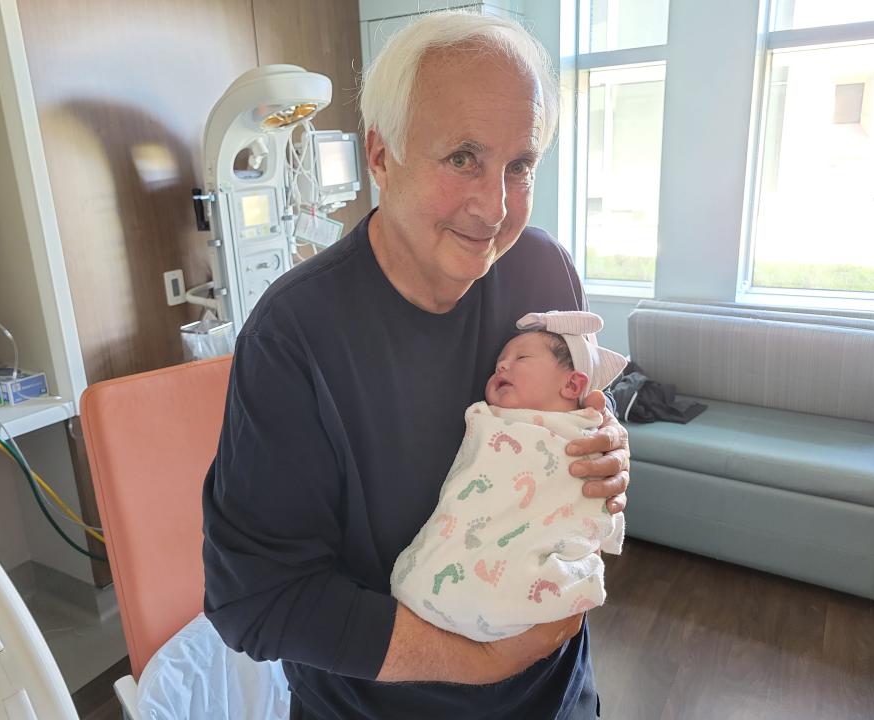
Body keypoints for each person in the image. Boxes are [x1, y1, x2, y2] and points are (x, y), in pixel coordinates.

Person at [202, 11, 631, 720]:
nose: (494, 207)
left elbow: (578, 421)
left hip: (555, 697)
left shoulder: (543, 272)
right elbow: (258, 600)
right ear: (379, 157)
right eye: (463, 156)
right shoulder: (296, 338)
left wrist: (607, 450)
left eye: (518, 166)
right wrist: (481, 663)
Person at [391, 311, 628, 642]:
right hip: (468, 539)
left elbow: (592, 486)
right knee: (420, 573)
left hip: (532, 550)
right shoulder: (488, 419)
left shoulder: (581, 434)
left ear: (572, 384)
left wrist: (612, 443)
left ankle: (503, 596)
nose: (501, 366)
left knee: (515, 577)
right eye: (499, 362)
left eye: (521, 358)